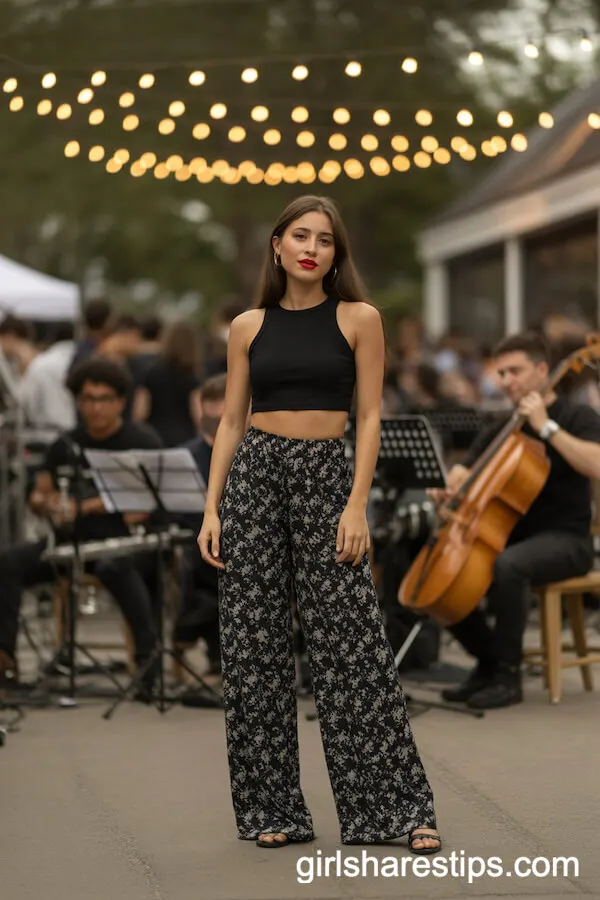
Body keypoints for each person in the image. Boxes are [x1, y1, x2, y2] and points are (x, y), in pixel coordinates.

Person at [197, 195, 440, 854]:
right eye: (300, 236)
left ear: (336, 255)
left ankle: (394, 811)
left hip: (329, 476)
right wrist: (212, 507)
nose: (311, 248)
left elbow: (370, 416)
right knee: (253, 649)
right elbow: (231, 420)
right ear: (277, 246)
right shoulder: (247, 326)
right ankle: (270, 807)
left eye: (325, 240)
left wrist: (357, 503)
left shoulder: (360, 318)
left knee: (352, 646)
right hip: (255, 476)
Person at [434, 332, 600, 710]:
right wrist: (453, 485)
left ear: (542, 370)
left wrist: (547, 428)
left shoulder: (576, 416)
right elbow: (464, 470)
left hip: (567, 541)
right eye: (501, 373)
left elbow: (597, 464)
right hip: (507, 538)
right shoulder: (502, 426)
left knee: (508, 565)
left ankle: (508, 678)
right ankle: (488, 660)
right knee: (432, 562)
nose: (506, 381)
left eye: (515, 371)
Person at [0, 357, 163, 696]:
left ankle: (148, 665)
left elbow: (147, 501)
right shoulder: (66, 444)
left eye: (104, 399)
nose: (96, 407)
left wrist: (86, 506)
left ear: (120, 402)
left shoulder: (141, 440)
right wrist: (46, 504)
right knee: (8, 563)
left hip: (123, 545)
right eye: (88, 399)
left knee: (118, 568)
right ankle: (6, 664)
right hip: (70, 544)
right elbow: (39, 492)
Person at [172, 373, 227, 675]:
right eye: (211, 404)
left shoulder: (249, 451)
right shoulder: (185, 456)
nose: (216, 414)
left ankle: (196, 626)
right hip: (194, 537)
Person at [133, 320, 203, 447]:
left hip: (154, 436)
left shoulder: (151, 372)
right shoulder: (192, 377)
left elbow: (140, 412)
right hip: (185, 438)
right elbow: (198, 414)